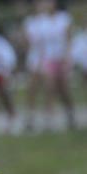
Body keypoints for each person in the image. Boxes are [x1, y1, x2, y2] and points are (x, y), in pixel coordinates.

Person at [23, 0, 75, 131]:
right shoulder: (40, 21)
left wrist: (67, 57)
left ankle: (70, 113)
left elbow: (68, 39)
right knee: (48, 86)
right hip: (47, 59)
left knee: (63, 89)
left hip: (61, 58)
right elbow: (37, 42)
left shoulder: (63, 18)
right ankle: (48, 116)